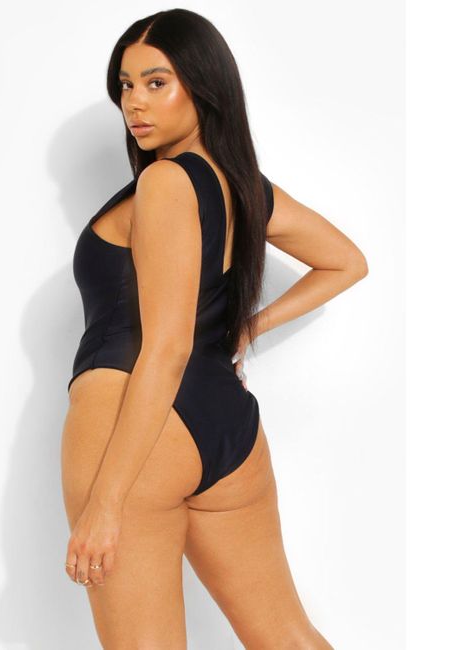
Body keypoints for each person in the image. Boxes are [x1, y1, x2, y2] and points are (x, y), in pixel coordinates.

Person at [60, 8, 367, 649]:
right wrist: (245, 331)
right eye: (125, 85)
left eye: (157, 82)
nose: (135, 103)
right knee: (289, 638)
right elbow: (346, 260)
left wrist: (106, 502)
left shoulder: (164, 182)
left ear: (204, 85)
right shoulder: (244, 186)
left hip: (139, 434)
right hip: (228, 430)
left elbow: (167, 348)